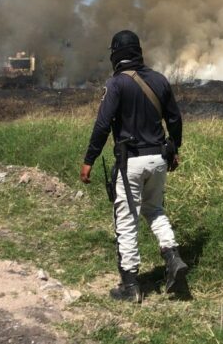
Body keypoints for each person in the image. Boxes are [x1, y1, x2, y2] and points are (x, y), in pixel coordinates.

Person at [79, 30, 188, 303]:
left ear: (115, 54)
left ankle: (130, 286)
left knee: (126, 221)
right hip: (158, 159)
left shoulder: (115, 84)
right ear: (138, 51)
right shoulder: (160, 80)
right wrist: (174, 148)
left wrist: (89, 160)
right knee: (155, 210)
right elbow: (174, 119)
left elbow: (103, 125)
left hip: (131, 162)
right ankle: (173, 258)